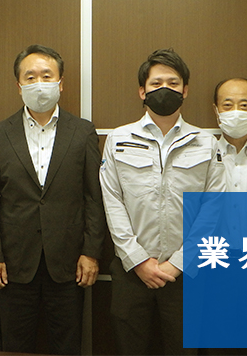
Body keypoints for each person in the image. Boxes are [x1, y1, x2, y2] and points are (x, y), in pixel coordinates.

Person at [0, 45, 107, 354]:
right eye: (30, 77)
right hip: (13, 264)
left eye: (47, 76)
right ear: (18, 85)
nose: (39, 83)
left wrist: (91, 253)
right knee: (15, 344)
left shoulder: (83, 132)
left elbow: (94, 198)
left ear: (60, 83)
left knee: (67, 344)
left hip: (69, 264)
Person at [99, 48, 225, 355]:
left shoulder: (206, 143)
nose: (164, 89)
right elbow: (112, 202)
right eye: (156, 83)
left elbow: (214, 207)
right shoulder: (118, 139)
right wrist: (138, 260)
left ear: (185, 90)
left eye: (173, 82)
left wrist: (178, 263)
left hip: (187, 272)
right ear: (142, 91)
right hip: (131, 270)